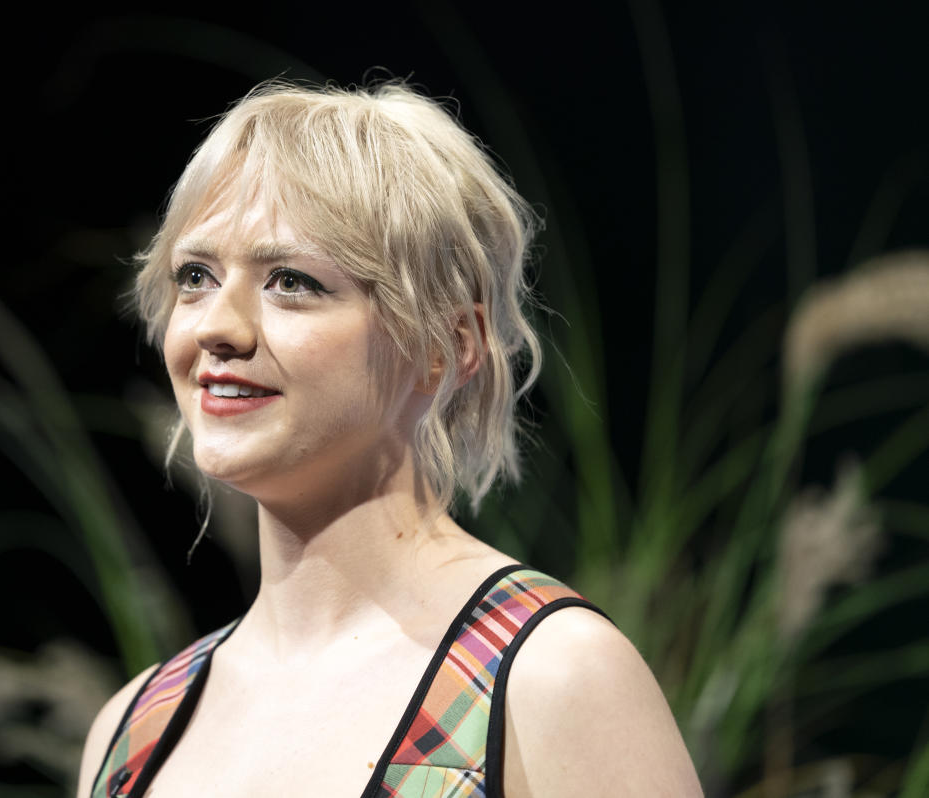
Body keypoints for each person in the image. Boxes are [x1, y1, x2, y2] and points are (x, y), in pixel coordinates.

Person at [78, 80, 703, 797]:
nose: (218, 326)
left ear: (446, 343)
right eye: (196, 276)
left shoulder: (551, 677)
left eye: (291, 281)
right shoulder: (133, 731)